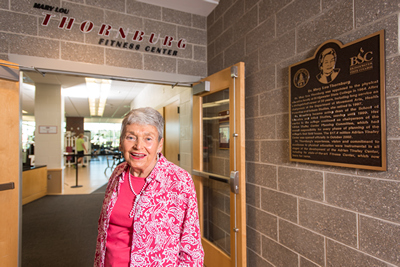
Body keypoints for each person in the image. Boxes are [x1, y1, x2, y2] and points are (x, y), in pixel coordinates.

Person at [94, 107, 204, 266]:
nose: (138, 146)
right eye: (131, 137)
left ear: (160, 144)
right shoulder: (117, 174)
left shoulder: (179, 181)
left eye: (148, 139)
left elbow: (191, 247)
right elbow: (105, 234)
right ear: (121, 141)